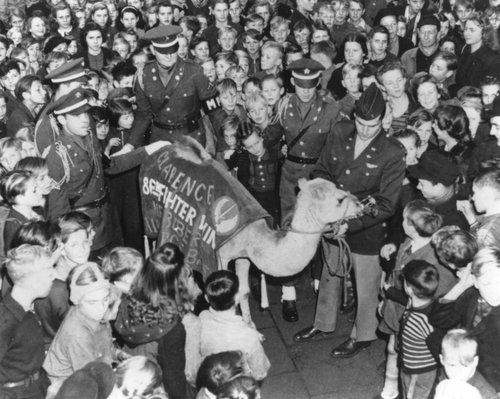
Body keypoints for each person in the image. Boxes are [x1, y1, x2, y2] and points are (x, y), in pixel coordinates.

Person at [294, 84, 405, 359]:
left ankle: (363, 334)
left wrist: (351, 223)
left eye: (373, 125)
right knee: (330, 273)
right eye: (361, 123)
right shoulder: (339, 132)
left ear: (382, 120)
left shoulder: (392, 151)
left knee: (366, 283)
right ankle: (323, 324)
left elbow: (386, 202)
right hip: (334, 217)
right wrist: (327, 204)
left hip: (366, 226)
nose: (366, 130)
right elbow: (321, 170)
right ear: (354, 117)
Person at [278, 58, 340, 322]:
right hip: (290, 174)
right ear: (292, 82)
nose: (306, 90)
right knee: (289, 230)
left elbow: (337, 144)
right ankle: (288, 291)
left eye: (311, 85)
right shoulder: (282, 105)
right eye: (301, 85)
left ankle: (318, 281)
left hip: (317, 175)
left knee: (318, 230)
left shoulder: (330, 108)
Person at [114, 243, 201, 399]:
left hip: (131, 379)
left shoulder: (126, 302)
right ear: (177, 284)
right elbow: (175, 382)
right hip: (154, 387)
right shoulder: (172, 330)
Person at [126, 25, 217, 149]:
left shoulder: (194, 71)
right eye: (163, 52)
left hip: (191, 139)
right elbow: (143, 115)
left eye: (173, 50)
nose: (169, 56)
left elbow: (215, 111)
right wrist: (130, 145)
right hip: (160, 140)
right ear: (153, 50)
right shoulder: (144, 75)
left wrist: (226, 144)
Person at [429, 247, 500, 392]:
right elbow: (438, 320)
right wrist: (462, 285)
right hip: (463, 374)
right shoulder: (472, 296)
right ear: (475, 281)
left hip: (491, 385)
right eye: (487, 283)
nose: (496, 290)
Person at [43, 262, 115, 397]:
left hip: (94, 369)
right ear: (77, 300)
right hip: (67, 386)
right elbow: (92, 379)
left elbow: (106, 347)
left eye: (105, 300)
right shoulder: (77, 334)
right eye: (92, 302)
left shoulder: (91, 313)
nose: (101, 308)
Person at [0, 244, 54, 399]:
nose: (54, 275)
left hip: (36, 388)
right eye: (49, 271)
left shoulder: (28, 309)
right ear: (33, 280)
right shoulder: (6, 320)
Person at [195, 270, 270, 381]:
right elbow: (261, 372)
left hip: (211, 380)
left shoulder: (201, 318)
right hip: (238, 385)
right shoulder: (248, 335)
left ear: (206, 298)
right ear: (237, 298)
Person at [398, 260, 440, 399]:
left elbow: (438, 350)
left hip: (418, 370)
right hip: (410, 363)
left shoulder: (423, 321)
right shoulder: (419, 304)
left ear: (409, 288)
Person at [408, 150, 470, 230]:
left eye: (422, 184)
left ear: (439, 187)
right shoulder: (438, 197)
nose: (418, 187)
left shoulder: (449, 221)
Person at [435, 329, 497, 399]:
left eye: (464, 365)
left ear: (475, 362)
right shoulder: (445, 375)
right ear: (442, 360)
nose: (457, 372)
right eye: (452, 365)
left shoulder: (486, 393)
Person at [456, 13, 500, 88]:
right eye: (465, 29)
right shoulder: (465, 51)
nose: (466, 33)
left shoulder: (492, 59)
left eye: (472, 30)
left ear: (484, 33)